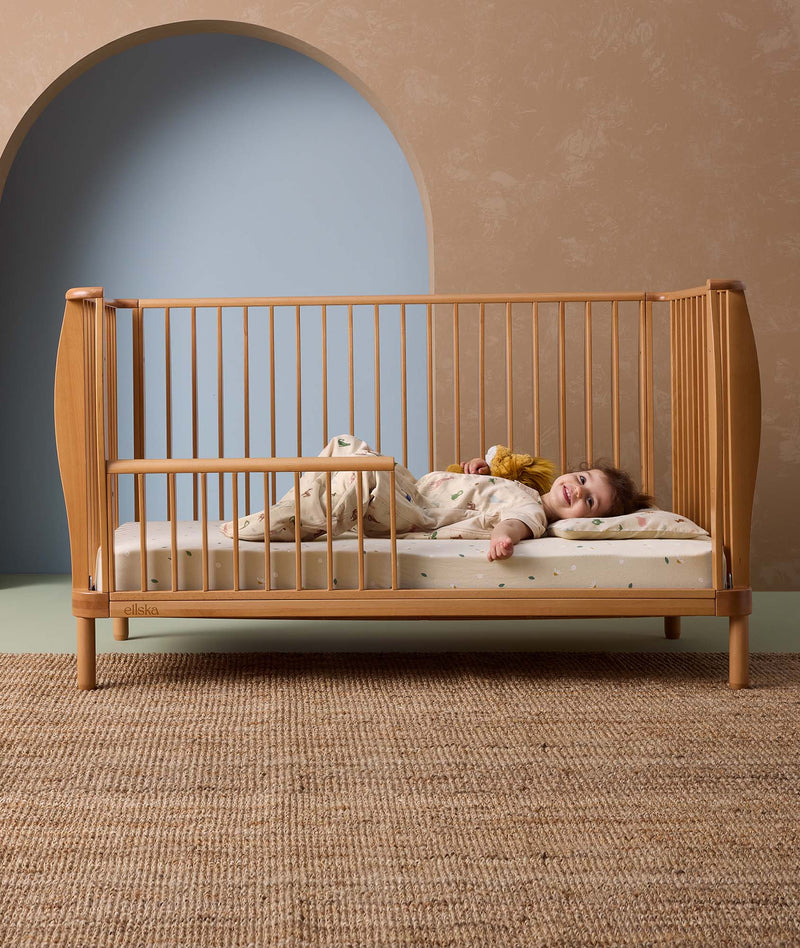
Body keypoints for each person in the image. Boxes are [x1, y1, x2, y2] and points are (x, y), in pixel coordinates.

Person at [221, 435, 652, 562]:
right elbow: (470, 491)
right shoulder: (520, 487)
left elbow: (514, 523)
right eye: (582, 478)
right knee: (347, 445)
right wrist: (473, 471)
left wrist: (504, 538)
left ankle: (296, 522)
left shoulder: (532, 511)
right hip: (413, 488)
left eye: (589, 502)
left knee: (362, 472)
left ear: (586, 520)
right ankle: (291, 510)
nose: (578, 489)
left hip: (413, 513)